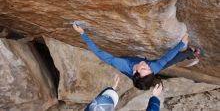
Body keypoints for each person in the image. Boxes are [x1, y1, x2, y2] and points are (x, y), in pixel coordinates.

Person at [73, 24, 201, 90]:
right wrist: (181, 44)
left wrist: (83, 34)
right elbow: (166, 58)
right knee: (168, 62)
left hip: (131, 63)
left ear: (135, 72)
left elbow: (99, 53)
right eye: (148, 69)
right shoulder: (153, 68)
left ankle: (189, 53)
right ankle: (189, 53)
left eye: (144, 69)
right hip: (149, 73)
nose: (147, 66)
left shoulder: (120, 64)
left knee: (168, 61)